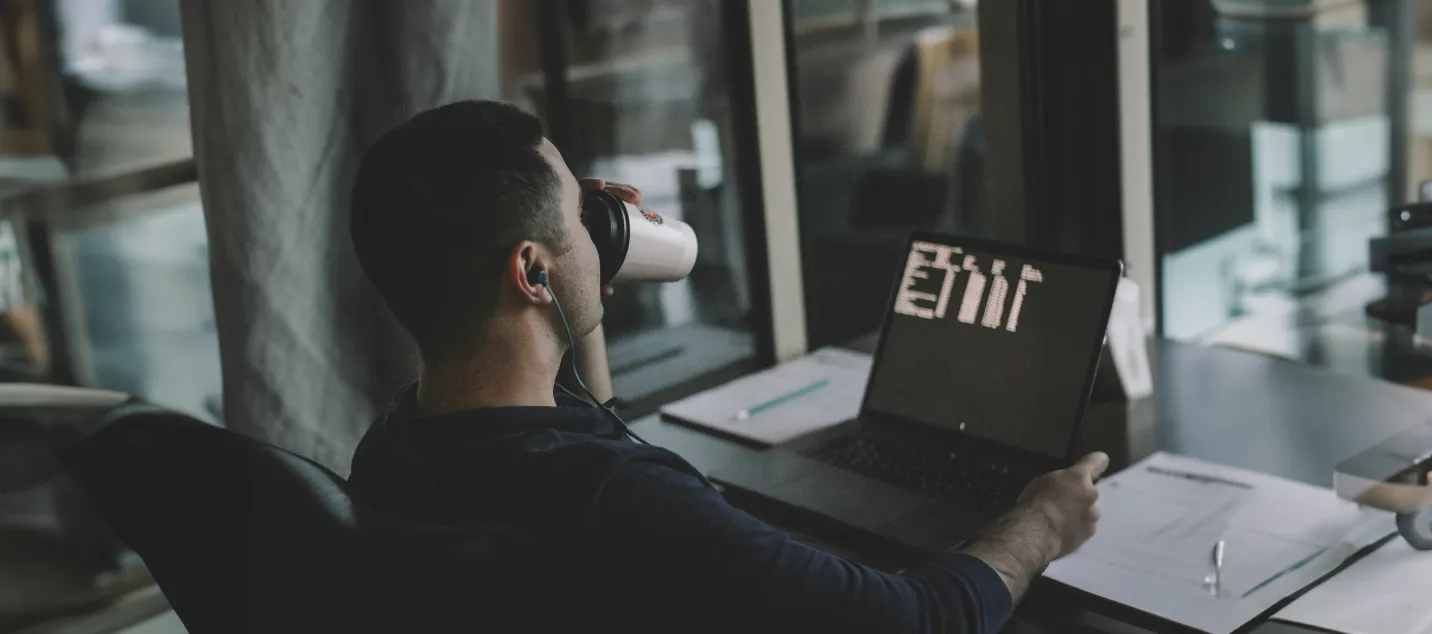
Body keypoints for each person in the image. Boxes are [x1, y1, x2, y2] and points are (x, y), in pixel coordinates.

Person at [346, 100, 1107, 634]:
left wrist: (582, 271)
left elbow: (573, 415)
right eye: (582, 214)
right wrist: (1043, 521)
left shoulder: (391, 446)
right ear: (532, 274)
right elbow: (916, 620)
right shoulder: (621, 498)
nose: (600, 224)